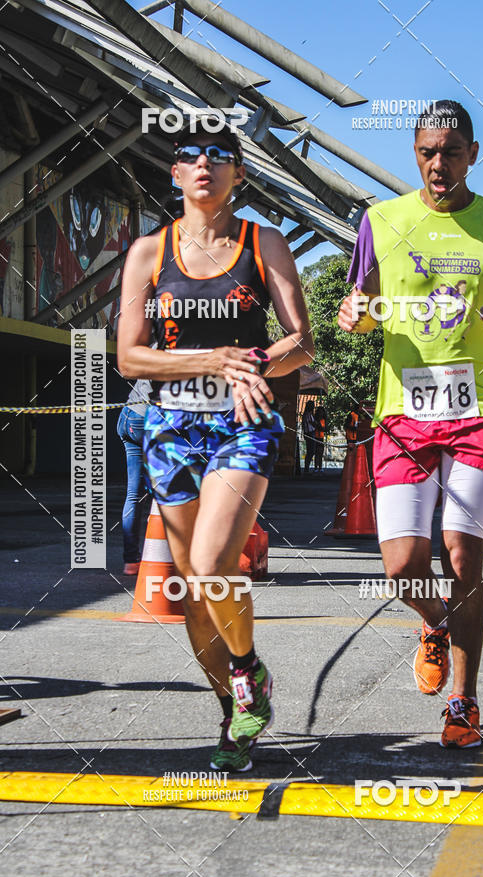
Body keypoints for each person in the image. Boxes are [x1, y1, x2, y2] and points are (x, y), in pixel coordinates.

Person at [338, 100, 483, 748]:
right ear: (415, 153)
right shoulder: (381, 221)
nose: (439, 164)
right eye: (428, 152)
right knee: (405, 565)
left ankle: (465, 700)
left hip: (480, 412)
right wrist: (356, 316)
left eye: (451, 153)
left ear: (473, 155)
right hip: (404, 412)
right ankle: (433, 623)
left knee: (464, 554)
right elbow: (365, 304)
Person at [118, 120, 313, 771]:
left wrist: (251, 360)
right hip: (171, 431)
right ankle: (235, 716)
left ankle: (249, 669)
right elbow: (128, 358)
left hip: (242, 423)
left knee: (210, 566)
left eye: (220, 156)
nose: (204, 164)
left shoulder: (265, 243)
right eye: (189, 156)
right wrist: (211, 359)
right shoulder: (149, 253)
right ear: (174, 173)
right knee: (194, 595)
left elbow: (301, 342)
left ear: (239, 173)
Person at [117, 379, 151, 575]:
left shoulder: (152, 348)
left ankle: (131, 562)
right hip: (148, 419)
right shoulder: (181, 351)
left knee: (133, 494)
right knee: (171, 490)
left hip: (129, 415)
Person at [302, 399, 316, 474]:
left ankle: (306, 468)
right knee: (311, 451)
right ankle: (306, 468)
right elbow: (313, 423)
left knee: (310, 451)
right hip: (310, 433)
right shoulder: (308, 414)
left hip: (309, 432)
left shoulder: (307, 414)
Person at [314, 404, 327, 472]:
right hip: (316, 437)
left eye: (322, 412)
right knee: (316, 453)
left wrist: (319, 426)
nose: (321, 414)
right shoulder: (315, 419)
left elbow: (324, 429)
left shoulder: (324, 420)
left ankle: (320, 467)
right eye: (319, 412)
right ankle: (316, 467)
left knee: (320, 453)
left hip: (321, 437)